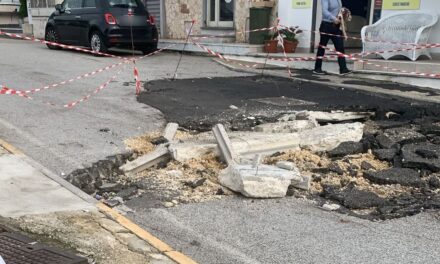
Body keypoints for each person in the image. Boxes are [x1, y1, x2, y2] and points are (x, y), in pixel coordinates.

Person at [313, 0, 352, 75]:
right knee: (322, 47)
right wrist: (334, 18)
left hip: (336, 27)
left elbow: (337, 9)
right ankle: (317, 68)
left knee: (340, 47)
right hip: (326, 25)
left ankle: (343, 69)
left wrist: (343, 11)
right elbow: (324, 11)